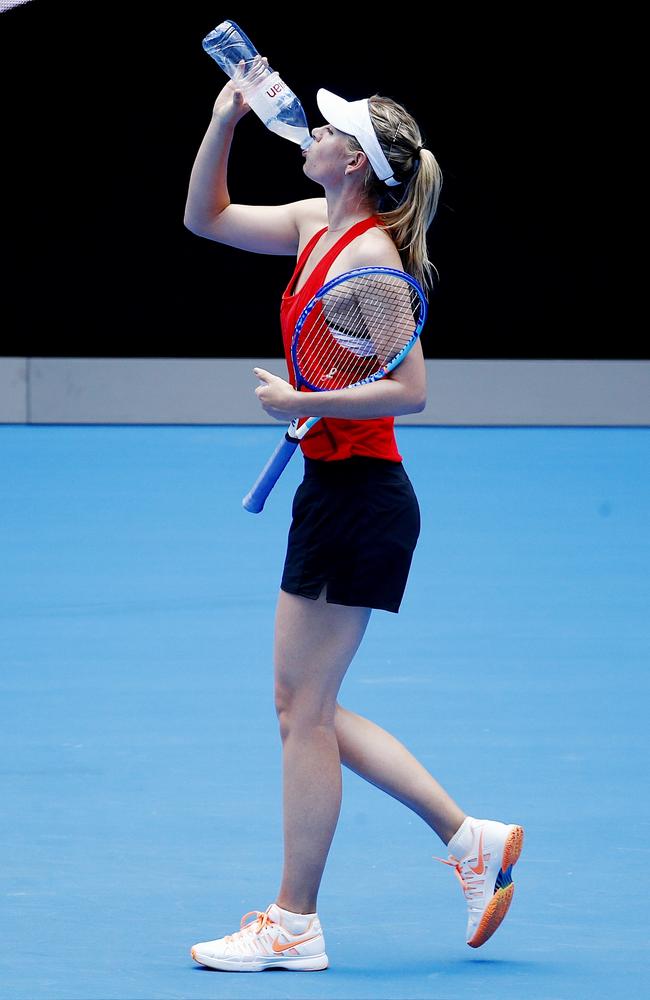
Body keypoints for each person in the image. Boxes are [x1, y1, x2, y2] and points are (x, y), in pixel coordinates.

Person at [183, 59, 524, 973]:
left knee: (303, 712)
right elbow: (204, 219)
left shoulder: (371, 260)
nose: (316, 133)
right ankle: (469, 837)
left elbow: (410, 391)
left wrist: (305, 396)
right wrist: (225, 119)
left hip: (364, 501)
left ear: (355, 165)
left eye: (333, 131)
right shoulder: (310, 223)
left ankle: (295, 923)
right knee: (308, 708)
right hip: (334, 496)